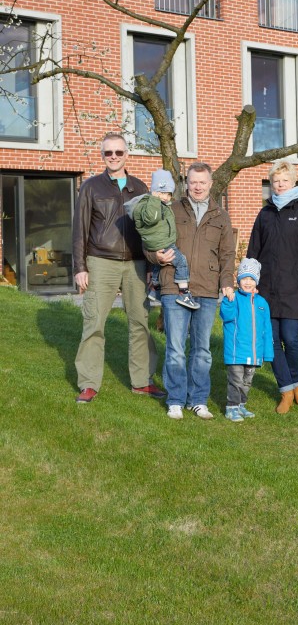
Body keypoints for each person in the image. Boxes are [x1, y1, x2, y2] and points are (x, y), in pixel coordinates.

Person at [72, 131, 161, 404]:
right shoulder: (91, 187)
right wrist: (80, 267)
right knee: (94, 323)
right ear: (102, 156)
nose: (113, 157)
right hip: (101, 262)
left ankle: (142, 381)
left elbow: (149, 231)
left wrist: (149, 265)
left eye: (118, 153)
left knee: (140, 324)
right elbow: (80, 229)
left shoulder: (140, 187)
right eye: (108, 153)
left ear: (127, 155)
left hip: (136, 263)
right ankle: (88, 383)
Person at [149, 162, 236, 420]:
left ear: (210, 184)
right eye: (193, 182)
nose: (197, 186)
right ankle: (175, 399)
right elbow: (150, 239)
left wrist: (226, 281)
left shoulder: (221, 216)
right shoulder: (171, 210)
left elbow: (228, 253)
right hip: (174, 286)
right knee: (175, 347)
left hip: (207, 289)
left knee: (202, 349)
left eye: (202, 182)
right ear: (186, 184)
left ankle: (198, 399)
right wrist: (154, 256)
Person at [247, 160, 298, 414]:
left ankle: (295, 383)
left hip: (293, 287)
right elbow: (253, 250)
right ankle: (288, 390)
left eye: (284, 180)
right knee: (272, 341)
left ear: (293, 182)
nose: (279, 184)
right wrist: (249, 282)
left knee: (291, 338)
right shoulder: (265, 213)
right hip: (266, 289)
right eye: (276, 180)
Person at [125, 168, 198, 310]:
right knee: (181, 261)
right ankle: (184, 293)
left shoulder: (160, 204)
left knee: (160, 264)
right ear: (154, 192)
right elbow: (151, 219)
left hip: (160, 241)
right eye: (161, 193)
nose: (165, 197)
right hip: (161, 242)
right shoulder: (149, 205)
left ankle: (154, 288)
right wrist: (153, 198)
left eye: (168, 194)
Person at [219, 257, 274, 422]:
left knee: (247, 381)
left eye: (252, 279)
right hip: (236, 351)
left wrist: (268, 353)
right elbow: (226, 316)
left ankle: (241, 405)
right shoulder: (233, 298)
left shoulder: (262, 302)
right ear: (238, 280)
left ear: (256, 281)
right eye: (245, 278)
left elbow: (267, 330)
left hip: (254, 352)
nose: (248, 282)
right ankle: (232, 407)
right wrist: (227, 301)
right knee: (236, 380)